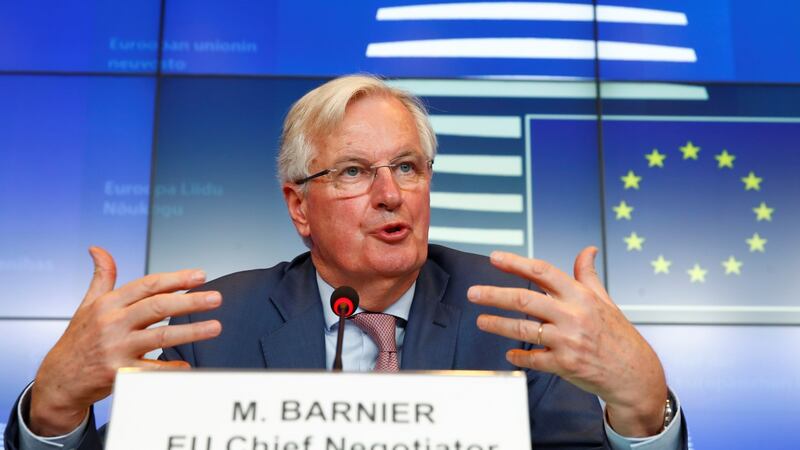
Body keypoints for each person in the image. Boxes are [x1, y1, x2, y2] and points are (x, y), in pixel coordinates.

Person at [5, 75, 686, 449]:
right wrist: (54, 414)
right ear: (299, 207)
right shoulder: (218, 326)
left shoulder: (513, 313)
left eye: (408, 167)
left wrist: (643, 411)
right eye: (355, 171)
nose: (391, 195)